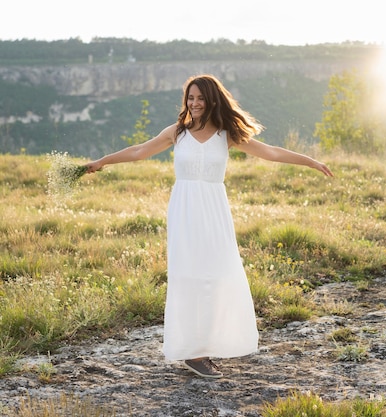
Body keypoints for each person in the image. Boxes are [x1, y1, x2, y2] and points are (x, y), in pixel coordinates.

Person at [85, 74, 334, 378]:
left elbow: (270, 152)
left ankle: (210, 343)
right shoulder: (177, 132)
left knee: (218, 275)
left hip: (215, 210)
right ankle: (194, 352)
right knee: (187, 276)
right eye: (190, 98)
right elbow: (139, 151)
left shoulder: (226, 135)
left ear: (212, 99)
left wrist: (311, 162)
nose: (195, 103)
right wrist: (102, 161)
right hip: (185, 210)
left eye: (200, 98)